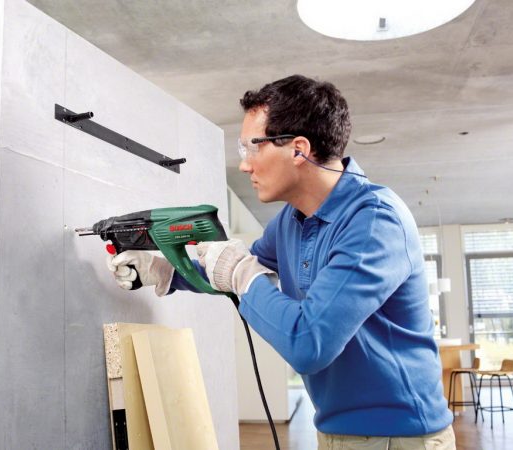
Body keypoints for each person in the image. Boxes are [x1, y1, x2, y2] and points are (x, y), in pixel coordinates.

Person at [107, 75, 455, 449]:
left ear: (298, 150)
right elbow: (233, 270)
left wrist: (240, 272)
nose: (244, 165)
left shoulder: (374, 222)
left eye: (252, 147)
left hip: (401, 437)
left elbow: (308, 344)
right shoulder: (290, 221)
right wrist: (166, 271)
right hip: (336, 431)